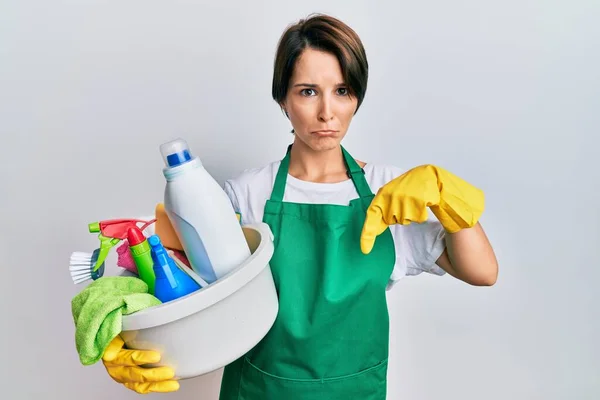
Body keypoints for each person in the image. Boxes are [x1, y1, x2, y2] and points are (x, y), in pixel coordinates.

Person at [100, 13, 498, 398]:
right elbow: (175, 281)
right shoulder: (247, 194)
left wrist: (448, 198)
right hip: (259, 391)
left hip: (352, 392)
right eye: (307, 91)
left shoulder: (388, 191)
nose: (327, 112)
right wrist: (128, 338)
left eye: (342, 91)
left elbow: (482, 271)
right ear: (282, 100)